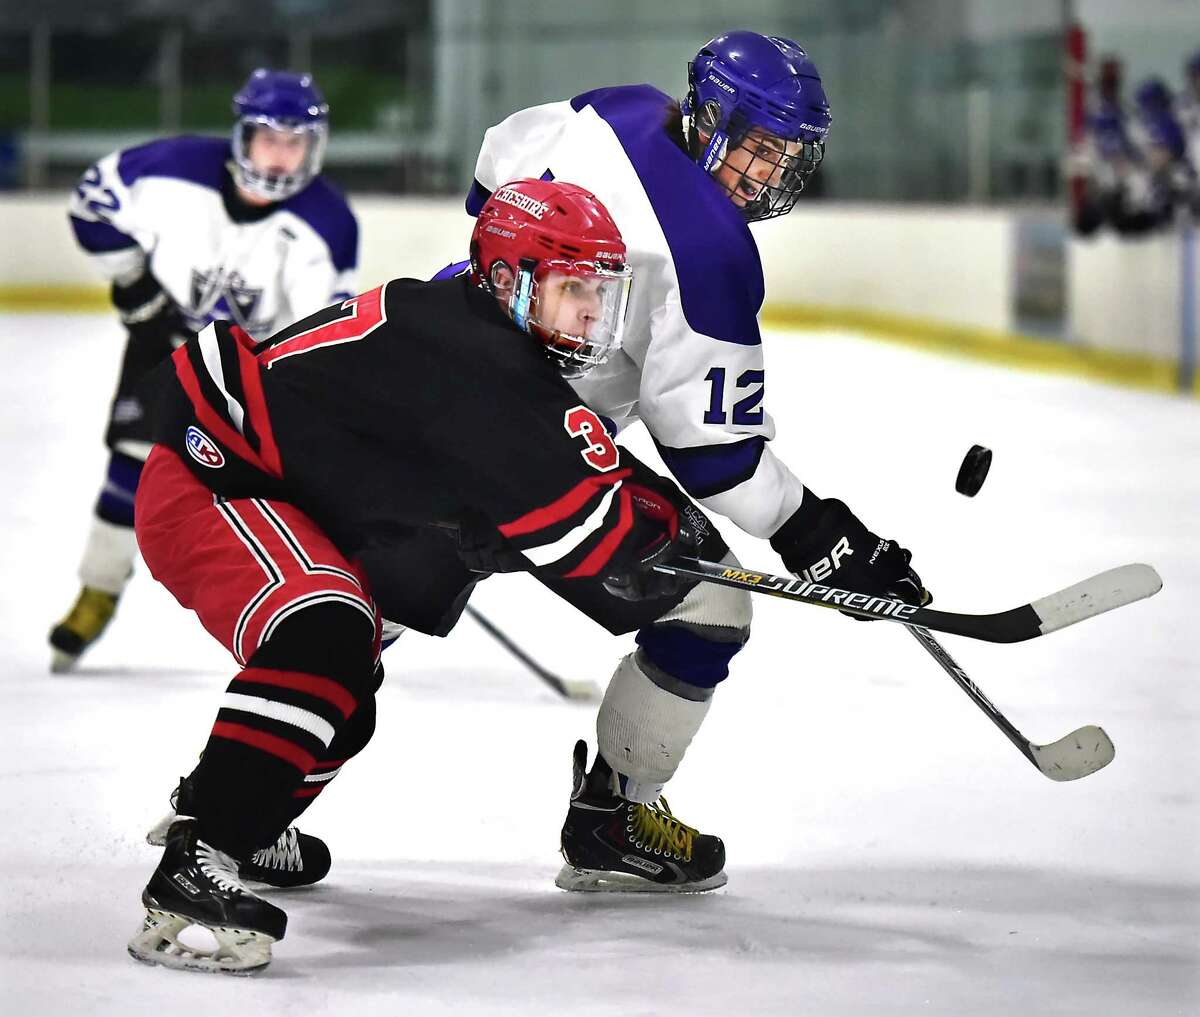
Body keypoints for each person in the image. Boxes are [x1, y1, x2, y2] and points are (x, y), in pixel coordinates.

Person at [460, 31, 928, 886]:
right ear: (711, 120)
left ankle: (229, 811)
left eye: (786, 157)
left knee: (358, 595)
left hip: (440, 373)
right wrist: (819, 532)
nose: (767, 177)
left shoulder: (618, 106)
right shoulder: (709, 250)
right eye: (756, 148)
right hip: (537, 448)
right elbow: (713, 459)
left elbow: (489, 176)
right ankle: (616, 814)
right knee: (712, 607)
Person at [50, 68, 358, 672]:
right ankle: (98, 589)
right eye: (272, 138)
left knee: (269, 498)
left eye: (298, 142)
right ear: (242, 136)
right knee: (128, 468)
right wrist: (133, 282)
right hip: (163, 350)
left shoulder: (330, 222)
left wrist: (293, 393)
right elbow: (90, 200)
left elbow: (322, 328)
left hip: (253, 374)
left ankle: (281, 615)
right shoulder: (172, 168)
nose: (283, 155)